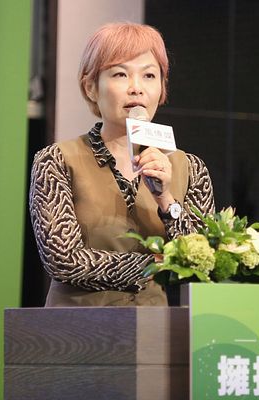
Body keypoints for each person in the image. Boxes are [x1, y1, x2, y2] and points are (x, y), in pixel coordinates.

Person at [29, 22, 215, 307]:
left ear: (162, 88)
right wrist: (154, 265)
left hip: (154, 327)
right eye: (120, 74)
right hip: (75, 327)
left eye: (149, 75)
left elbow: (202, 263)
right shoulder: (56, 160)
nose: (136, 88)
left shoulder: (190, 168)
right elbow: (64, 261)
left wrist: (166, 199)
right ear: (91, 87)